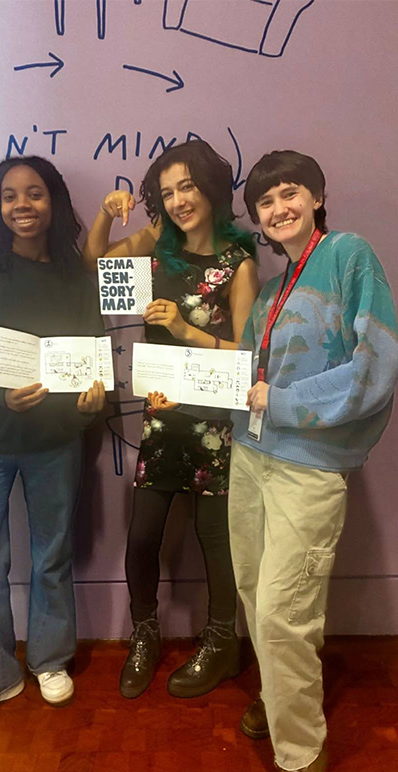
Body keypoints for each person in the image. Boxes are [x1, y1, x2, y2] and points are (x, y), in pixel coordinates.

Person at [230, 151, 398, 772]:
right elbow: (246, 377)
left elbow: (375, 363)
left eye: (289, 193)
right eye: (265, 202)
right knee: (254, 594)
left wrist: (283, 402)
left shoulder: (349, 256)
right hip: (250, 457)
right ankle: (281, 699)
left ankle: (301, 752)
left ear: (318, 196)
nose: (279, 209)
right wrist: (187, 390)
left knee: (284, 612)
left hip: (308, 469)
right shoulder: (272, 291)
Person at [0, 156, 107, 722]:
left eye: (35, 193)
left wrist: (93, 397)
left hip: (56, 439)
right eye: (9, 195)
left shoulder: (74, 277)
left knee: (52, 553)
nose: (22, 205)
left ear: (54, 202)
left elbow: (92, 350)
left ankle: (50, 659)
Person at [82, 140, 261, 699]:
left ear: (210, 188)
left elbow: (246, 355)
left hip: (215, 420)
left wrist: (185, 330)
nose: (179, 200)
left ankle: (222, 643)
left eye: (187, 186)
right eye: (167, 192)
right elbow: (95, 265)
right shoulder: (156, 244)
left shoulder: (239, 265)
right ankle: (144, 633)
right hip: (162, 417)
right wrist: (104, 214)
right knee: (142, 537)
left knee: (216, 540)